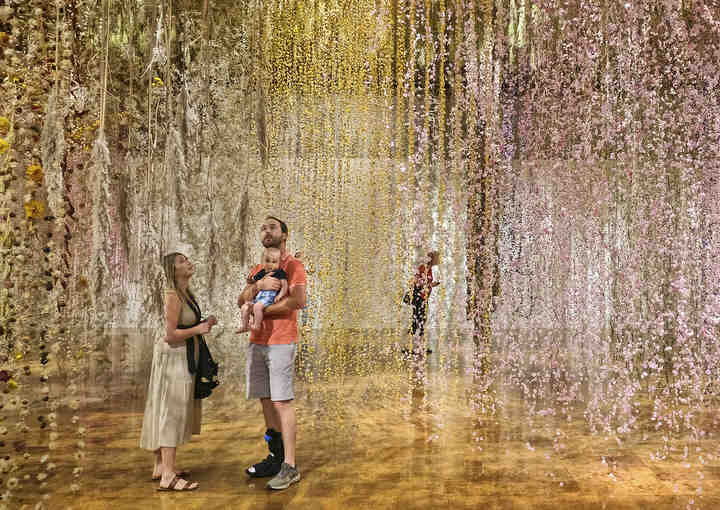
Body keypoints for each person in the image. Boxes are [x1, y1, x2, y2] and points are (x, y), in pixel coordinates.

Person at [237, 216, 307, 490]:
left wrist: (261, 309)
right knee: (265, 400)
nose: (266, 231)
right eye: (263, 228)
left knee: (281, 402)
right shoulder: (259, 268)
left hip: (280, 341)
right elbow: (240, 299)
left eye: (272, 227)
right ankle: (275, 457)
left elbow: (298, 300)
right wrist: (256, 288)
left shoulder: (293, 266)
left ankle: (290, 466)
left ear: (284, 234)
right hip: (257, 341)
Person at [140, 252, 217, 491]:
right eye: (182, 261)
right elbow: (170, 335)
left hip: (182, 355)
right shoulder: (172, 295)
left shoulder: (186, 293)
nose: (189, 262)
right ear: (173, 271)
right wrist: (199, 328)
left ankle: (161, 465)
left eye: (187, 259)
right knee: (171, 411)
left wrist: (203, 325)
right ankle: (168, 477)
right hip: (173, 357)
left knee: (165, 408)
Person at [237, 246, 288, 332]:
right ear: (263, 261)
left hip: (269, 298)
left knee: (257, 307)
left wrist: (280, 295)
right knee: (244, 307)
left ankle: (257, 325)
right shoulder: (262, 272)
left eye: (274, 262)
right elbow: (253, 281)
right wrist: (250, 280)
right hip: (259, 298)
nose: (270, 264)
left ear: (279, 263)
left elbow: (284, 285)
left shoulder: (279, 272)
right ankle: (245, 326)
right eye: (267, 261)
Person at [409, 250, 441, 354]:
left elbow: (425, 282)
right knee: (418, 321)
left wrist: (432, 284)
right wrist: (430, 284)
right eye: (437, 257)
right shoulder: (423, 267)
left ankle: (418, 347)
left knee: (421, 321)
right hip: (419, 298)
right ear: (432, 259)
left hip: (423, 298)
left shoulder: (429, 269)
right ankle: (414, 347)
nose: (439, 260)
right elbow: (417, 281)